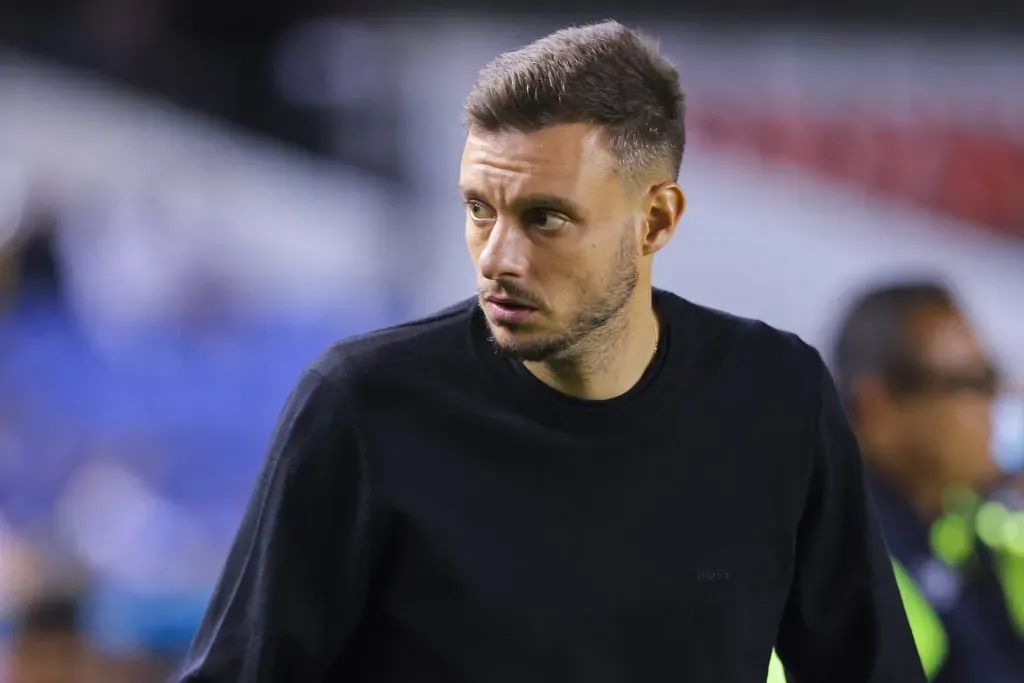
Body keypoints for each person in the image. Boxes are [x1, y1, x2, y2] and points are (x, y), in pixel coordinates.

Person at [175, 21, 925, 682]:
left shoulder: (776, 396)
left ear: (656, 220)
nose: (498, 256)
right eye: (479, 208)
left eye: (545, 218)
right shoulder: (361, 407)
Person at [832, 279, 1024, 683]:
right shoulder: (845, 577)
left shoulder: (969, 522)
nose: (996, 402)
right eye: (971, 383)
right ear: (878, 408)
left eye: (992, 378)